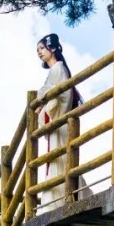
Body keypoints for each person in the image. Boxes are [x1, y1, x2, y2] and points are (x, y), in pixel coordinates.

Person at [36, 33, 80, 207]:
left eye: (42, 48)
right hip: (58, 119)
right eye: (37, 50)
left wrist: (43, 109)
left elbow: (56, 97)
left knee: (57, 158)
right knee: (58, 158)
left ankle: (57, 201)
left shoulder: (58, 69)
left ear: (52, 48)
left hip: (58, 119)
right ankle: (59, 197)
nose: (39, 52)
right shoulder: (58, 69)